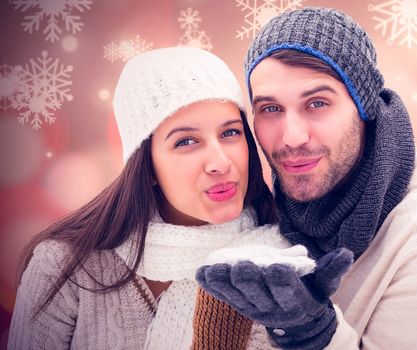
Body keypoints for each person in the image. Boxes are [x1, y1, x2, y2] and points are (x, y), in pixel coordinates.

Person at [196, 7, 417, 350]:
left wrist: (314, 334)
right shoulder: (257, 202)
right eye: (271, 109)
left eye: (317, 103)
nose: (291, 137)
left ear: (363, 105)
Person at [8, 46, 341, 350]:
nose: (221, 162)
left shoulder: (280, 266)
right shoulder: (65, 267)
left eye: (229, 133)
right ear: (146, 165)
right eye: (186, 142)